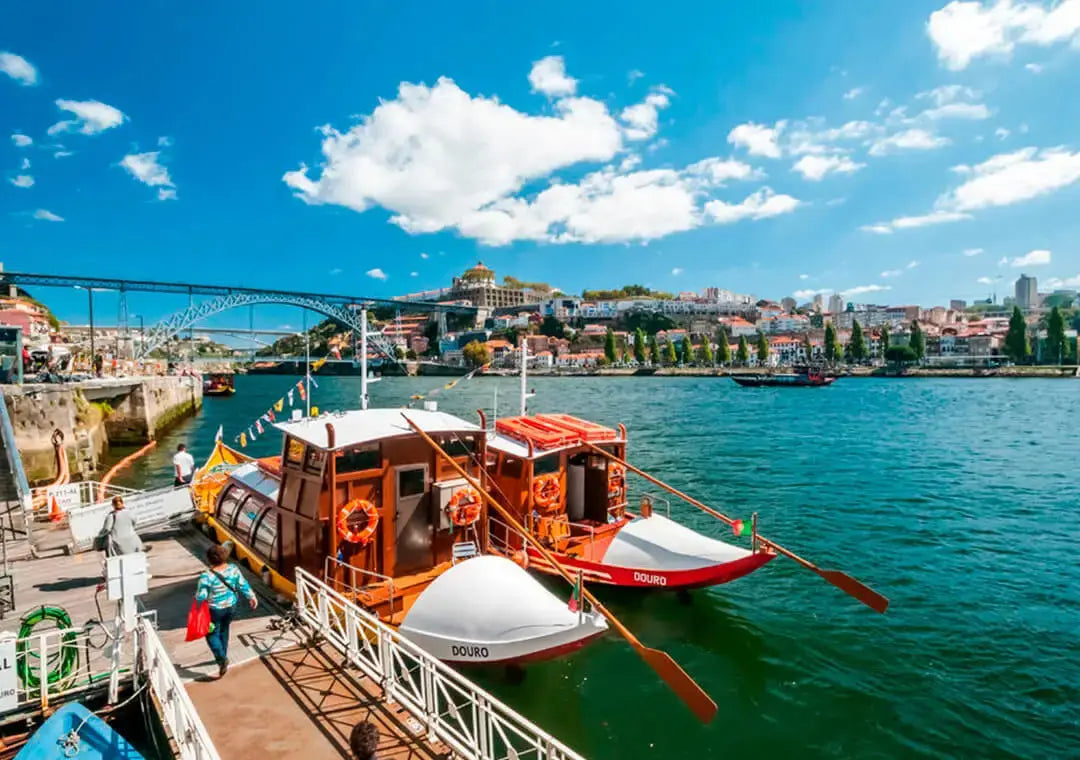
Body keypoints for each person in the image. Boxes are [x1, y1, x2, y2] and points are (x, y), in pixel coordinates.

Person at [195, 544, 257, 678]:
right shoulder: (233, 569)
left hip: (215, 610)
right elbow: (243, 584)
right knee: (224, 629)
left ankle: (221, 659)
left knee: (211, 633)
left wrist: (198, 607)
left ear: (209, 559)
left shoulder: (206, 576)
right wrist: (251, 597)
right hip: (231, 607)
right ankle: (223, 653)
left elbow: (201, 596)